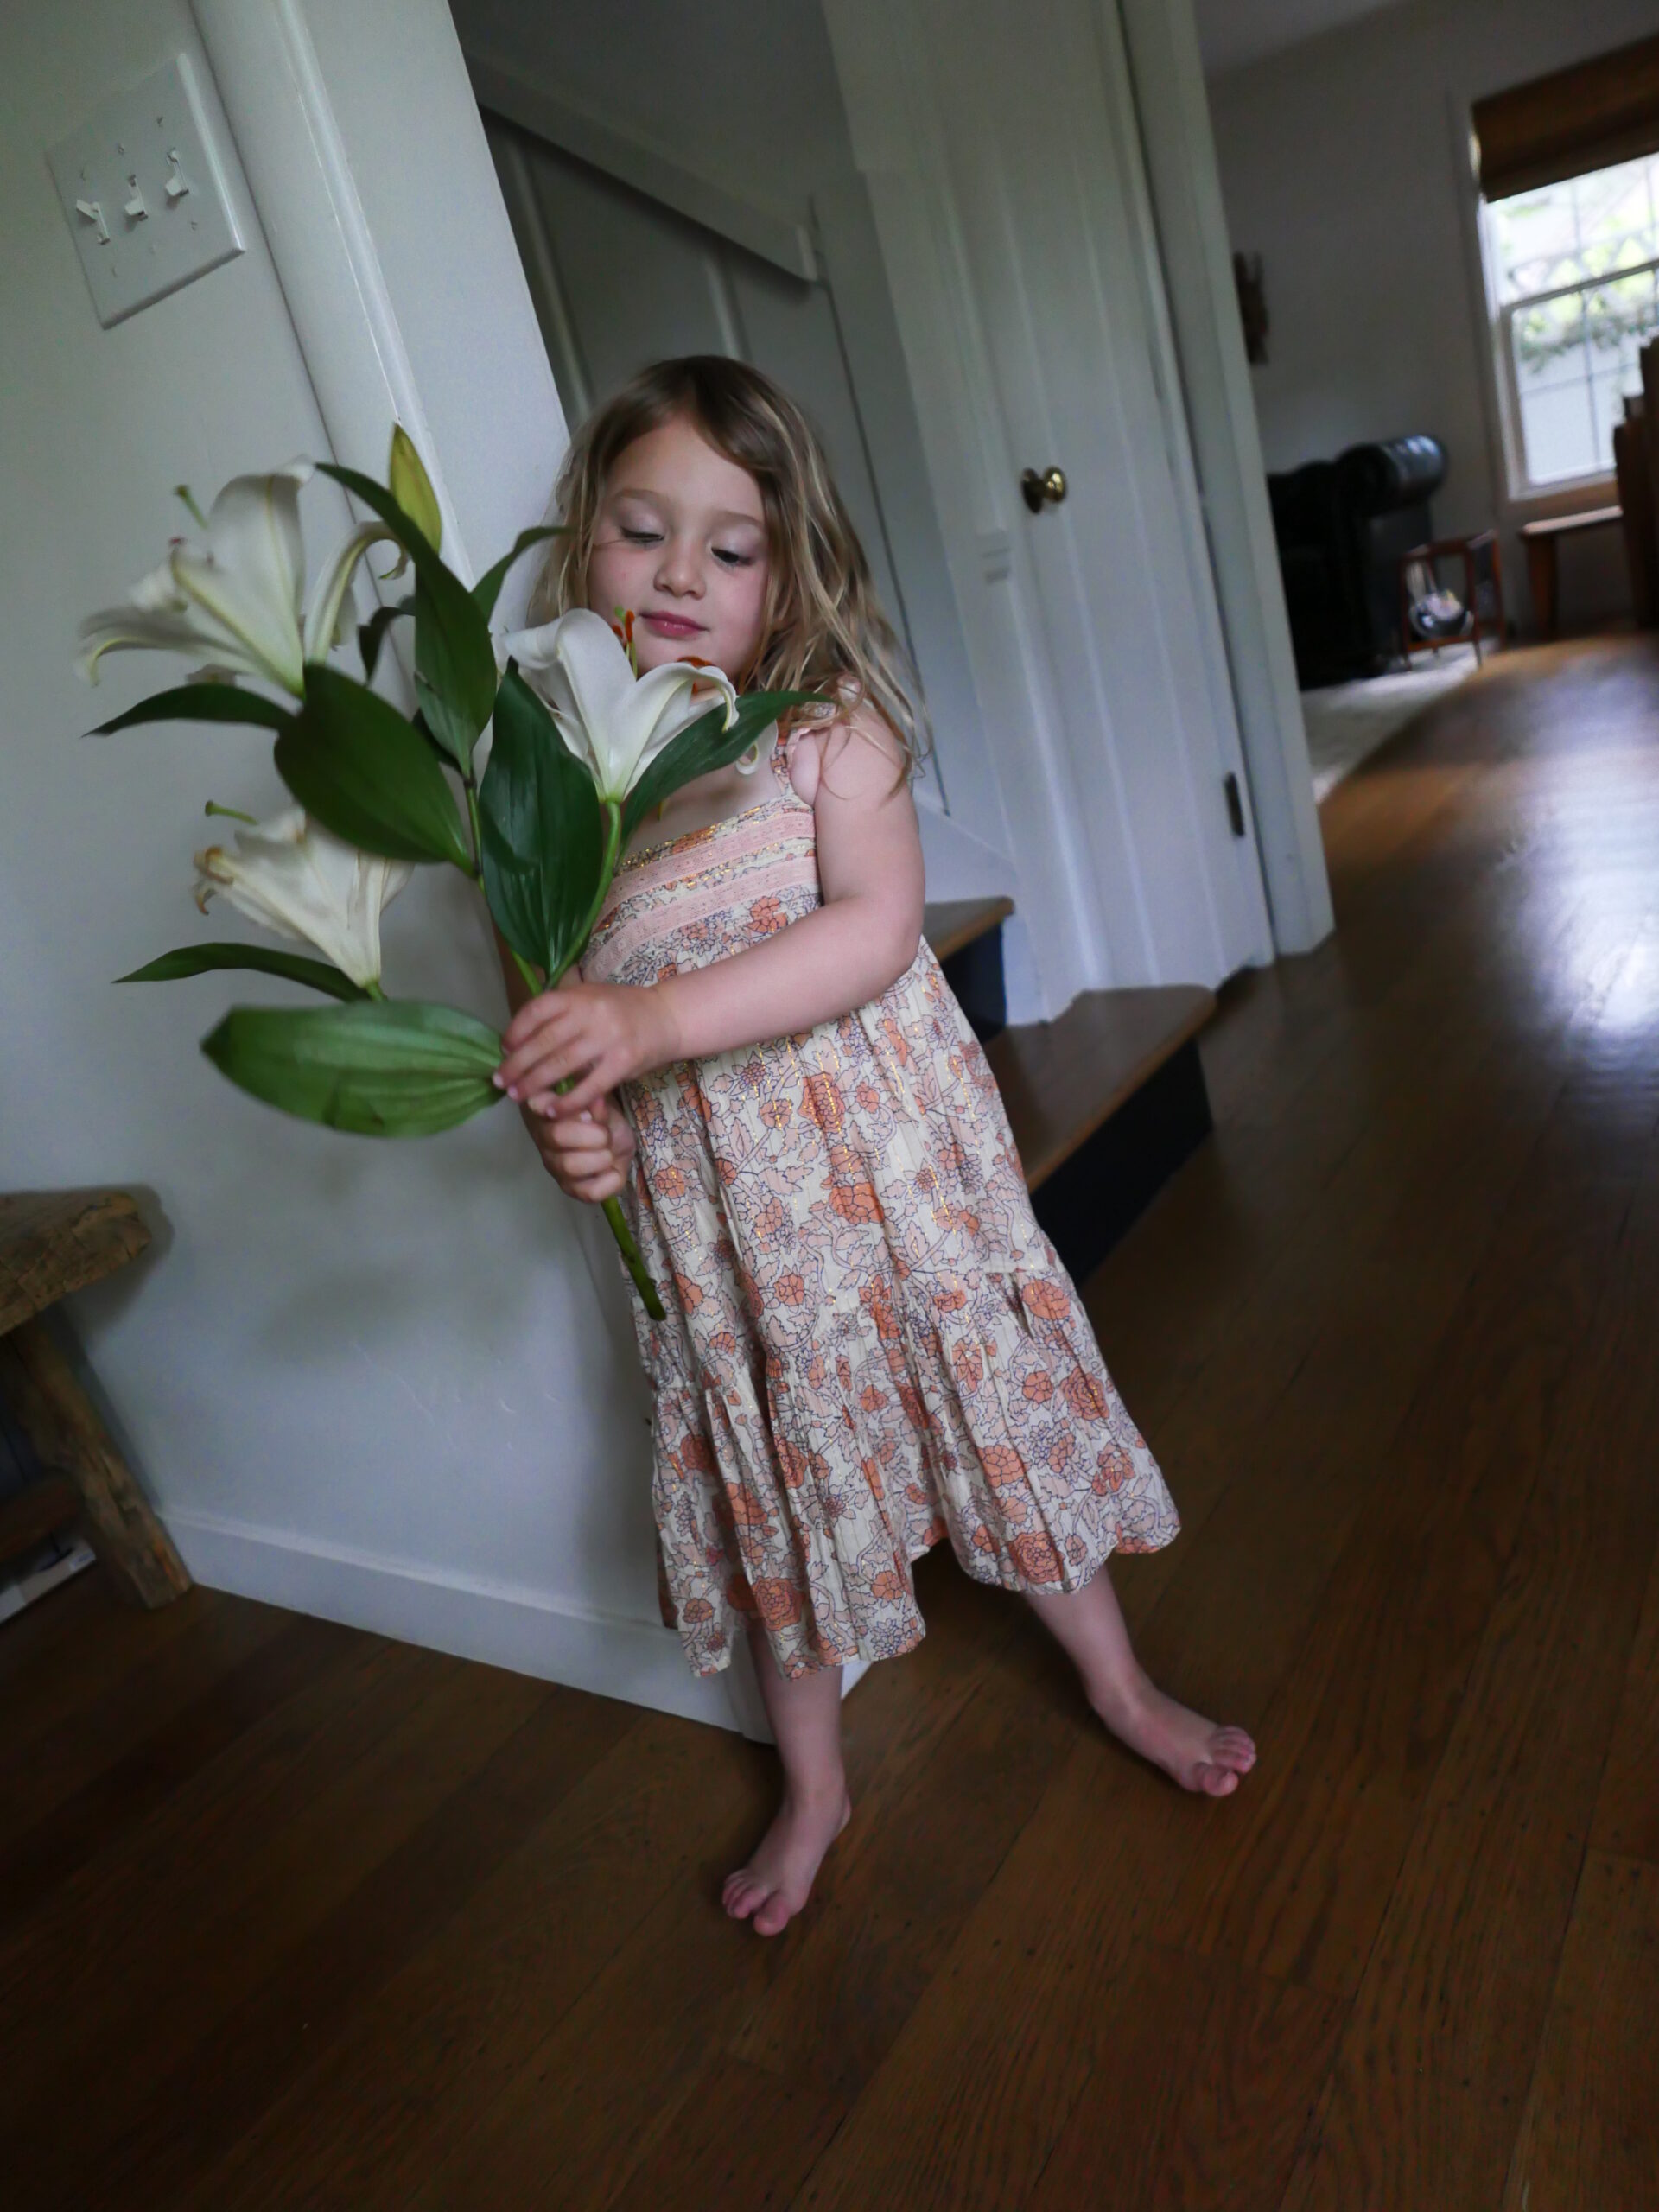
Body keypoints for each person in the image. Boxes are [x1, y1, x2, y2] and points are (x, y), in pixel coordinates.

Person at [492, 357, 1255, 1938]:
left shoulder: (825, 737)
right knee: (782, 1492)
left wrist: (655, 1025)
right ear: (585, 549)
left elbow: (874, 930)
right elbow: (550, 1023)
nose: (682, 575)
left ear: (789, 576)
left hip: (895, 1198)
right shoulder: (549, 797)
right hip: (731, 1247)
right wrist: (574, 1120)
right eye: (644, 532)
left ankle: (1114, 1678)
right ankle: (817, 1782)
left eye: (732, 545)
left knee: (993, 1416)